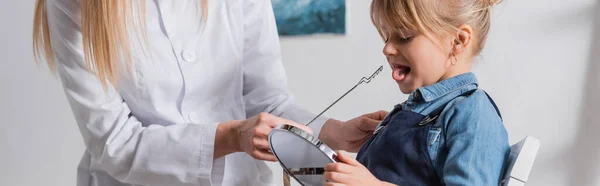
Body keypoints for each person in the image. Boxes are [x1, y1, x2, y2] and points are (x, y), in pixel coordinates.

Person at [32, 0, 387, 185]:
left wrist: (333, 133)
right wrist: (231, 136)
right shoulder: (73, 6)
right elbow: (114, 143)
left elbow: (268, 100)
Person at [323, 0, 510, 185]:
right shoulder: (415, 114)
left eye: (404, 36)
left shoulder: (473, 113)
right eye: (386, 37)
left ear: (457, 41)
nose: (386, 48)